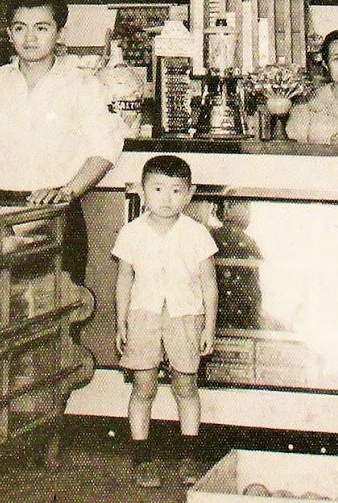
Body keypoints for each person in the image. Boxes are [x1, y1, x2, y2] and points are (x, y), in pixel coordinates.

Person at [0, 0, 124, 286]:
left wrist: (67, 192)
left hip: (56, 213)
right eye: (19, 28)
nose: (29, 39)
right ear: (8, 34)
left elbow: (105, 146)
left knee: (59, 313)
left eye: (41, 28)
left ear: (59, 34)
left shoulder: (81, 84)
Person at [111, 154, 217, 489]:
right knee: (144, 387)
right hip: (143, 314)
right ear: (143, 191)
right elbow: (124, 281)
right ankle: (141, 456)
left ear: (189, 194)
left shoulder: (197, 234)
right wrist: (121, 322)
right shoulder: (132, 232)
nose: (166, 198)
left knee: (185, 387)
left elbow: (209, 285)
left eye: (175, 190)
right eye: (157, 189)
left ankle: (189, 454)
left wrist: (209, 327)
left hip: (186, 316)